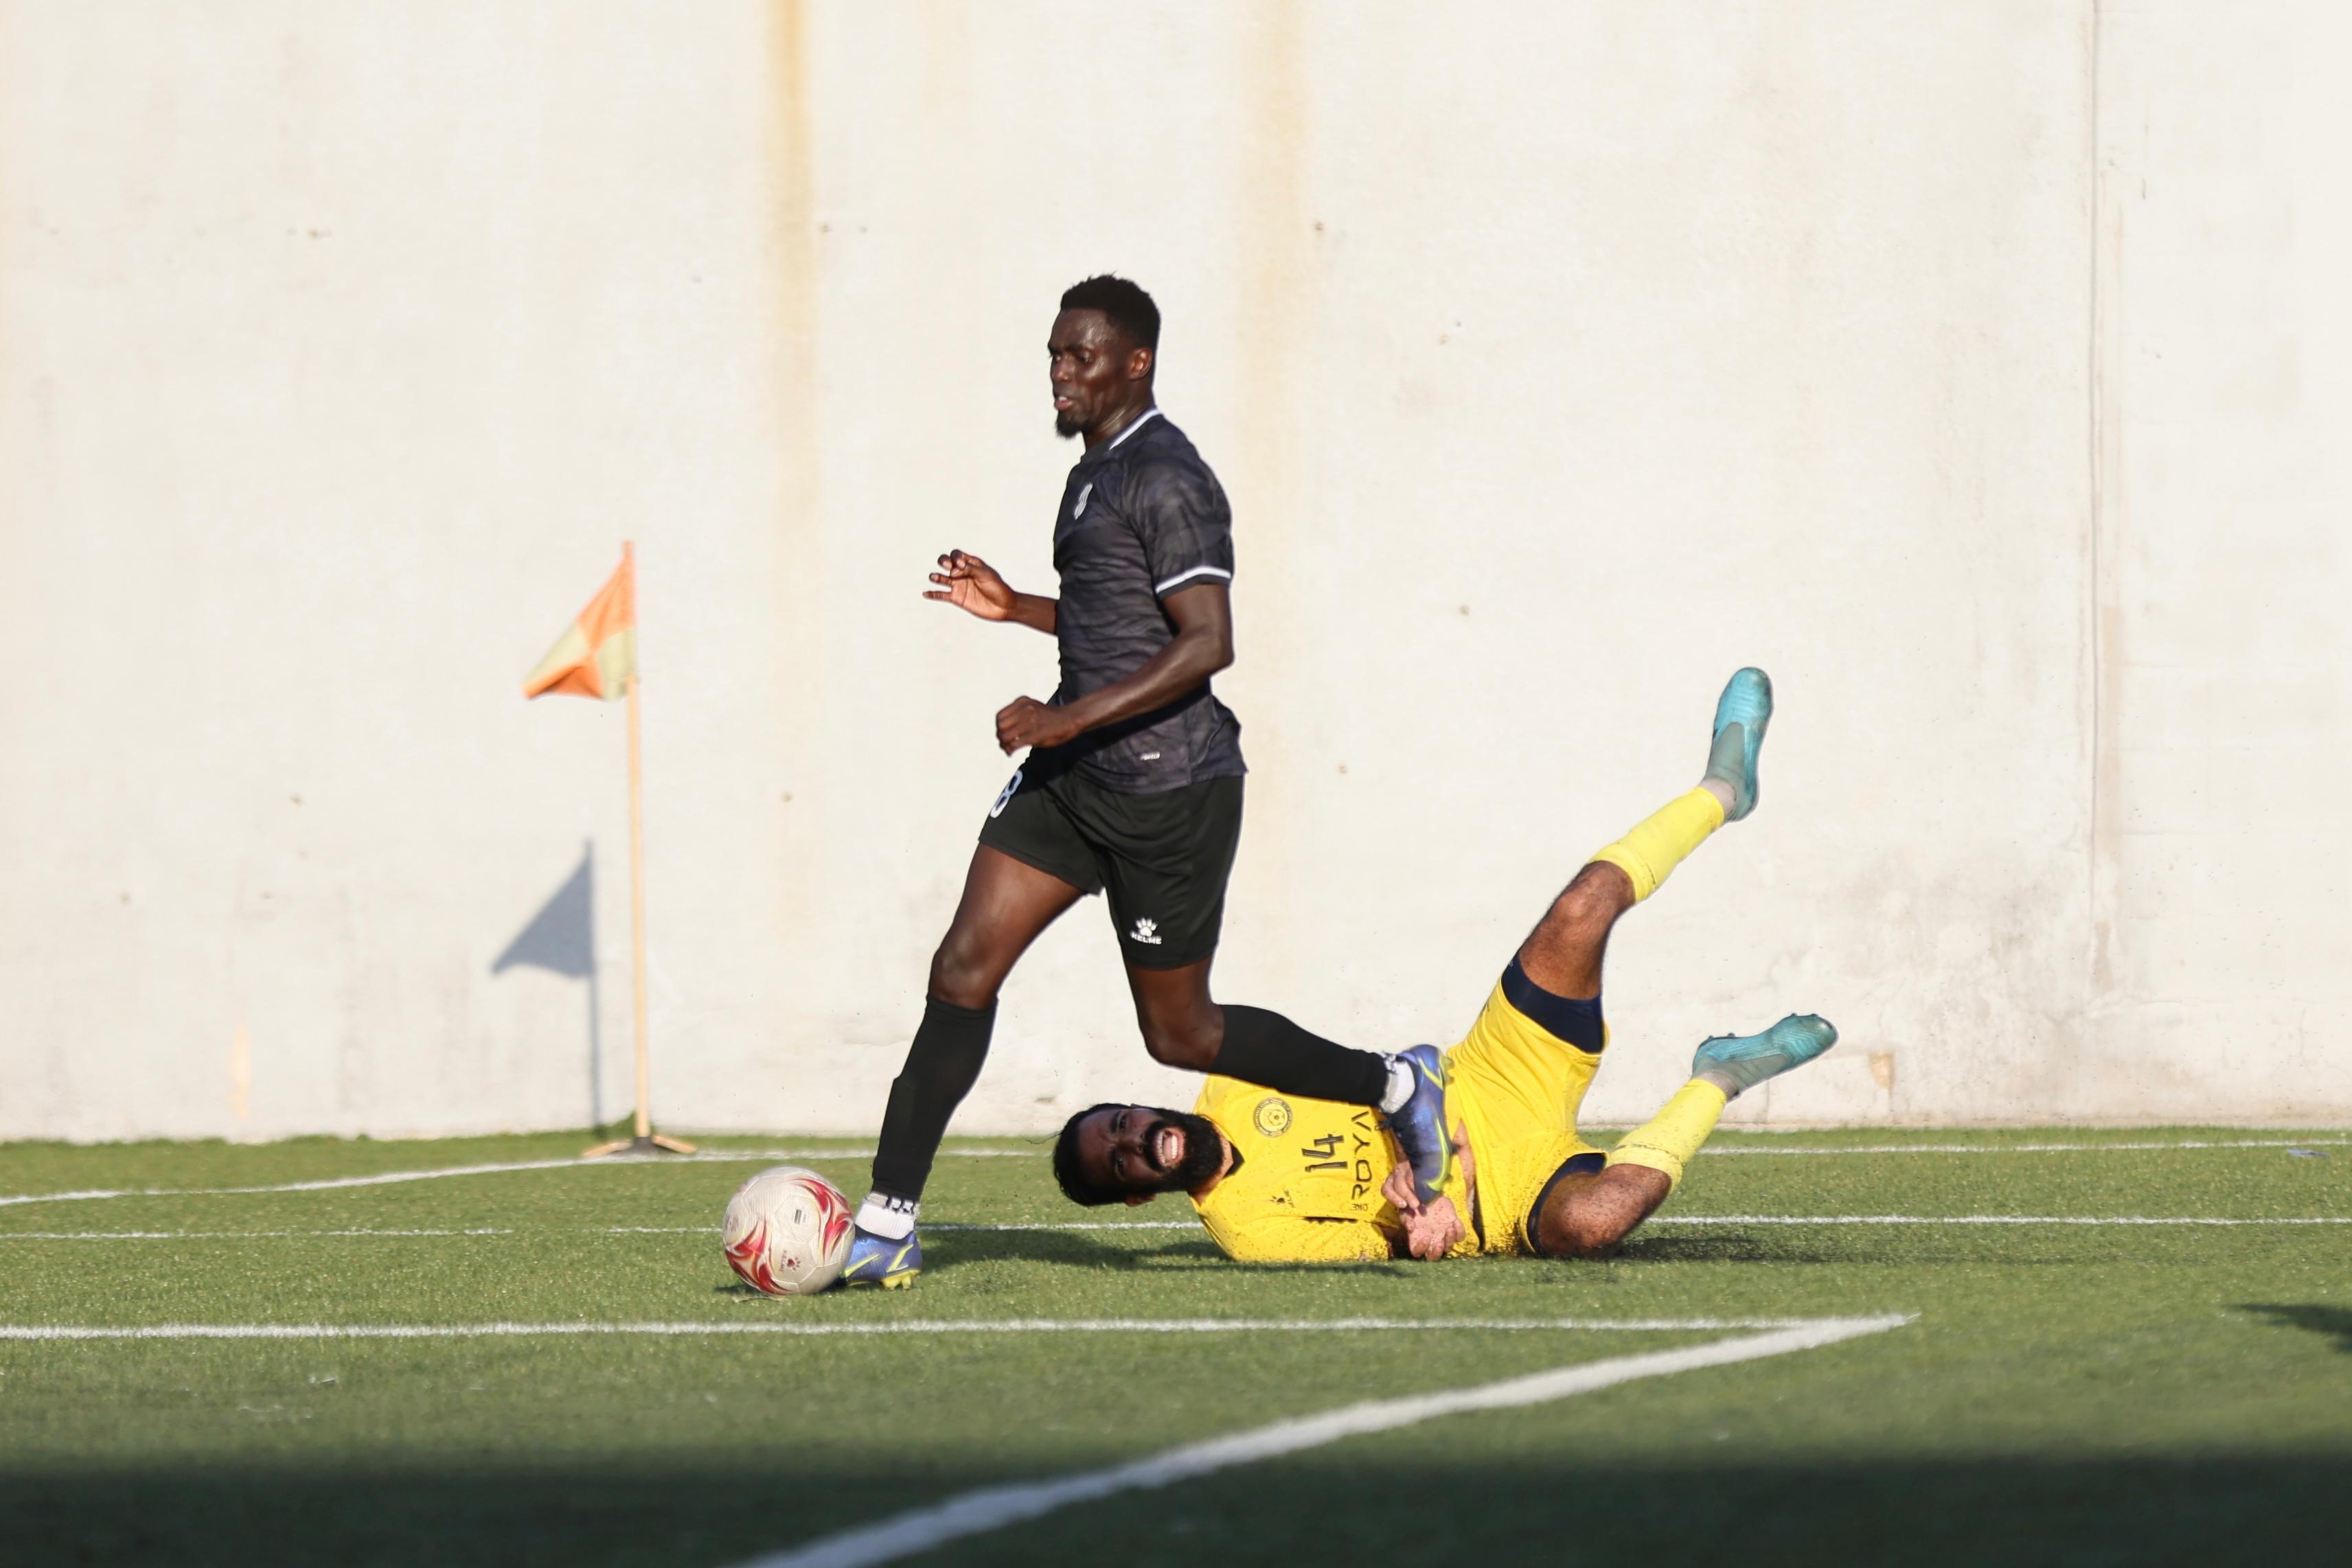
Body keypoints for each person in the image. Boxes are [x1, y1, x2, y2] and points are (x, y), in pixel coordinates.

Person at [843, 276, 1451, 1287]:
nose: (1059, 375)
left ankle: (1394, 1085)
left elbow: (1207, 644)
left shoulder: (1170, 477)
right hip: (1072, 784)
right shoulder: (1092, 472)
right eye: (1052, 355)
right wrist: (1021, 610)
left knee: (1181, 1036)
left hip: (1172, 794)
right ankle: (889, 1218)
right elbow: (1119, 618)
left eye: (1080, 357)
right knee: (961, 972)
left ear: (1137, 363)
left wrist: (1058, 714)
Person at [1050, 668, 1836, 1263]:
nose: (1134, 1140)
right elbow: (1389, 1247)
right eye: (1118, 1159)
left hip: (1492, 1075)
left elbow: (1399, 1068)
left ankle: (1722, 788)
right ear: (1131, 1195)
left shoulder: (1236, 1079)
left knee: (1582, 905)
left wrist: (1412, 1113)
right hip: (1501, 1195)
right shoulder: (1247, 1230)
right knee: (1593, 1224)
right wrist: (1419, 1220)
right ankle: (1719, 1076)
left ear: (1137, 1105)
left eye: (1119, 1123)